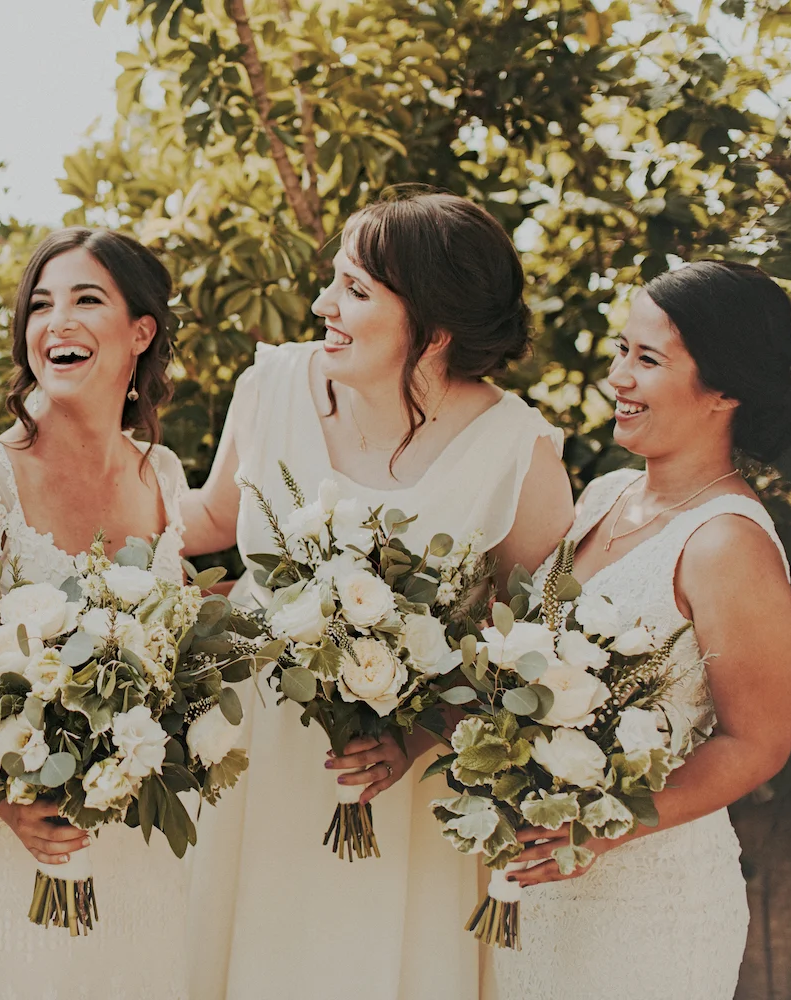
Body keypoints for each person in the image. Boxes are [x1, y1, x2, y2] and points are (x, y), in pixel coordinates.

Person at [181, 191, 575, 999]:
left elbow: (537, 657)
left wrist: (419, 735)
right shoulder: (273, 384)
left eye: (356, 291)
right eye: (334, 281)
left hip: (406, 794)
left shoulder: (517, 450)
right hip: (253, 764)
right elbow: (211, 516)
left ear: (434, 330)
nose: (324, 305)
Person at [489, 260, 791, 999]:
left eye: (647, 359)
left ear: (725, 389)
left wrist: (600, 827)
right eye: (622, 350)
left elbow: (760, 742)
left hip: (650, 908)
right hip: (540, 890)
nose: (617, 377)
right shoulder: (603, 496)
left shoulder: (729, 543)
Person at [0, 227, 193, 997]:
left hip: (140, 854)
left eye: (86, 300)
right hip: (15, 850)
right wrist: (5, 801)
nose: (56, 323)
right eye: (40, 305)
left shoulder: (162, 475)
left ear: (141, 331)